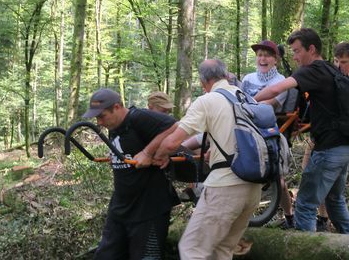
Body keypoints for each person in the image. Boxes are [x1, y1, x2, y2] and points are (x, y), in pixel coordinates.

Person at [151, 59, 262, 259]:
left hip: (225, 187)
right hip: (253, 188)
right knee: (222, 251)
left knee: (192, 249)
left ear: (203, 82)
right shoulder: (246, 98)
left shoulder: (207, 101)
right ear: (226, 75)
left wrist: (155, 156)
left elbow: (173, 141)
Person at [254, 28, 349, 234]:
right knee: (335, 200)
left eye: (297, 51)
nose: (294, 56)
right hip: (346, 146)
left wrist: (245, 102)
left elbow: (276, 89)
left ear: (311, 49)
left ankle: (305, 248)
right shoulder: (330, 68)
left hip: (329, 149)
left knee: (305, 205)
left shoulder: (312, 69)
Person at [82, 88, 180, 260]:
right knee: (106, 255)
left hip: (148, 209)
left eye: (102, 116)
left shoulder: (138, 117)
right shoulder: (115, 125)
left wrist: (149, 153)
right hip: (121, 207)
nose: (99, 122)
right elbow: (128, 147)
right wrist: (116, 155)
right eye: (96, 118)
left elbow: (174, 126)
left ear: (117, 107)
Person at [240, 39, 296, 229]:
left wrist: (244, 108)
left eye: (267, 55)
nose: (262, 59)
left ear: (275, 59)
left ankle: (289, 216)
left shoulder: (281, 81)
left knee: (277, 179)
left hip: (272, 132)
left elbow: (270, 105)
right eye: (259, 55)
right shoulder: (247, 79)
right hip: (246, 130)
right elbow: (238, 99)